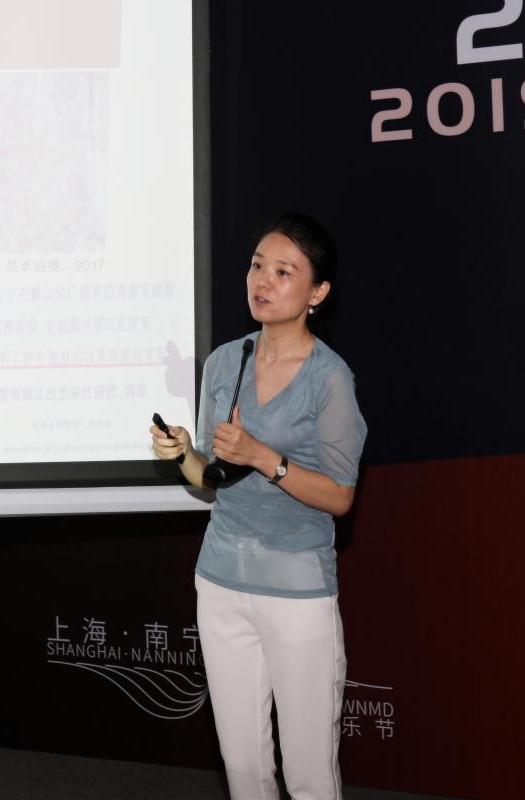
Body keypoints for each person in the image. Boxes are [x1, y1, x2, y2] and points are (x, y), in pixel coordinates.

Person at [150, 213, 367, 800]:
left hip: (297, 592)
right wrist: (183, 451)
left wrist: (264, 457)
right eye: (256, 266)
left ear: (317, 292)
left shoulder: (330, 379)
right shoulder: (225, 362)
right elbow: (209, 479)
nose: (262, 280)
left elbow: (340, 496)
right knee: (243, 768)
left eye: (283, 271)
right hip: (221, 583)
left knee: (309, 774)